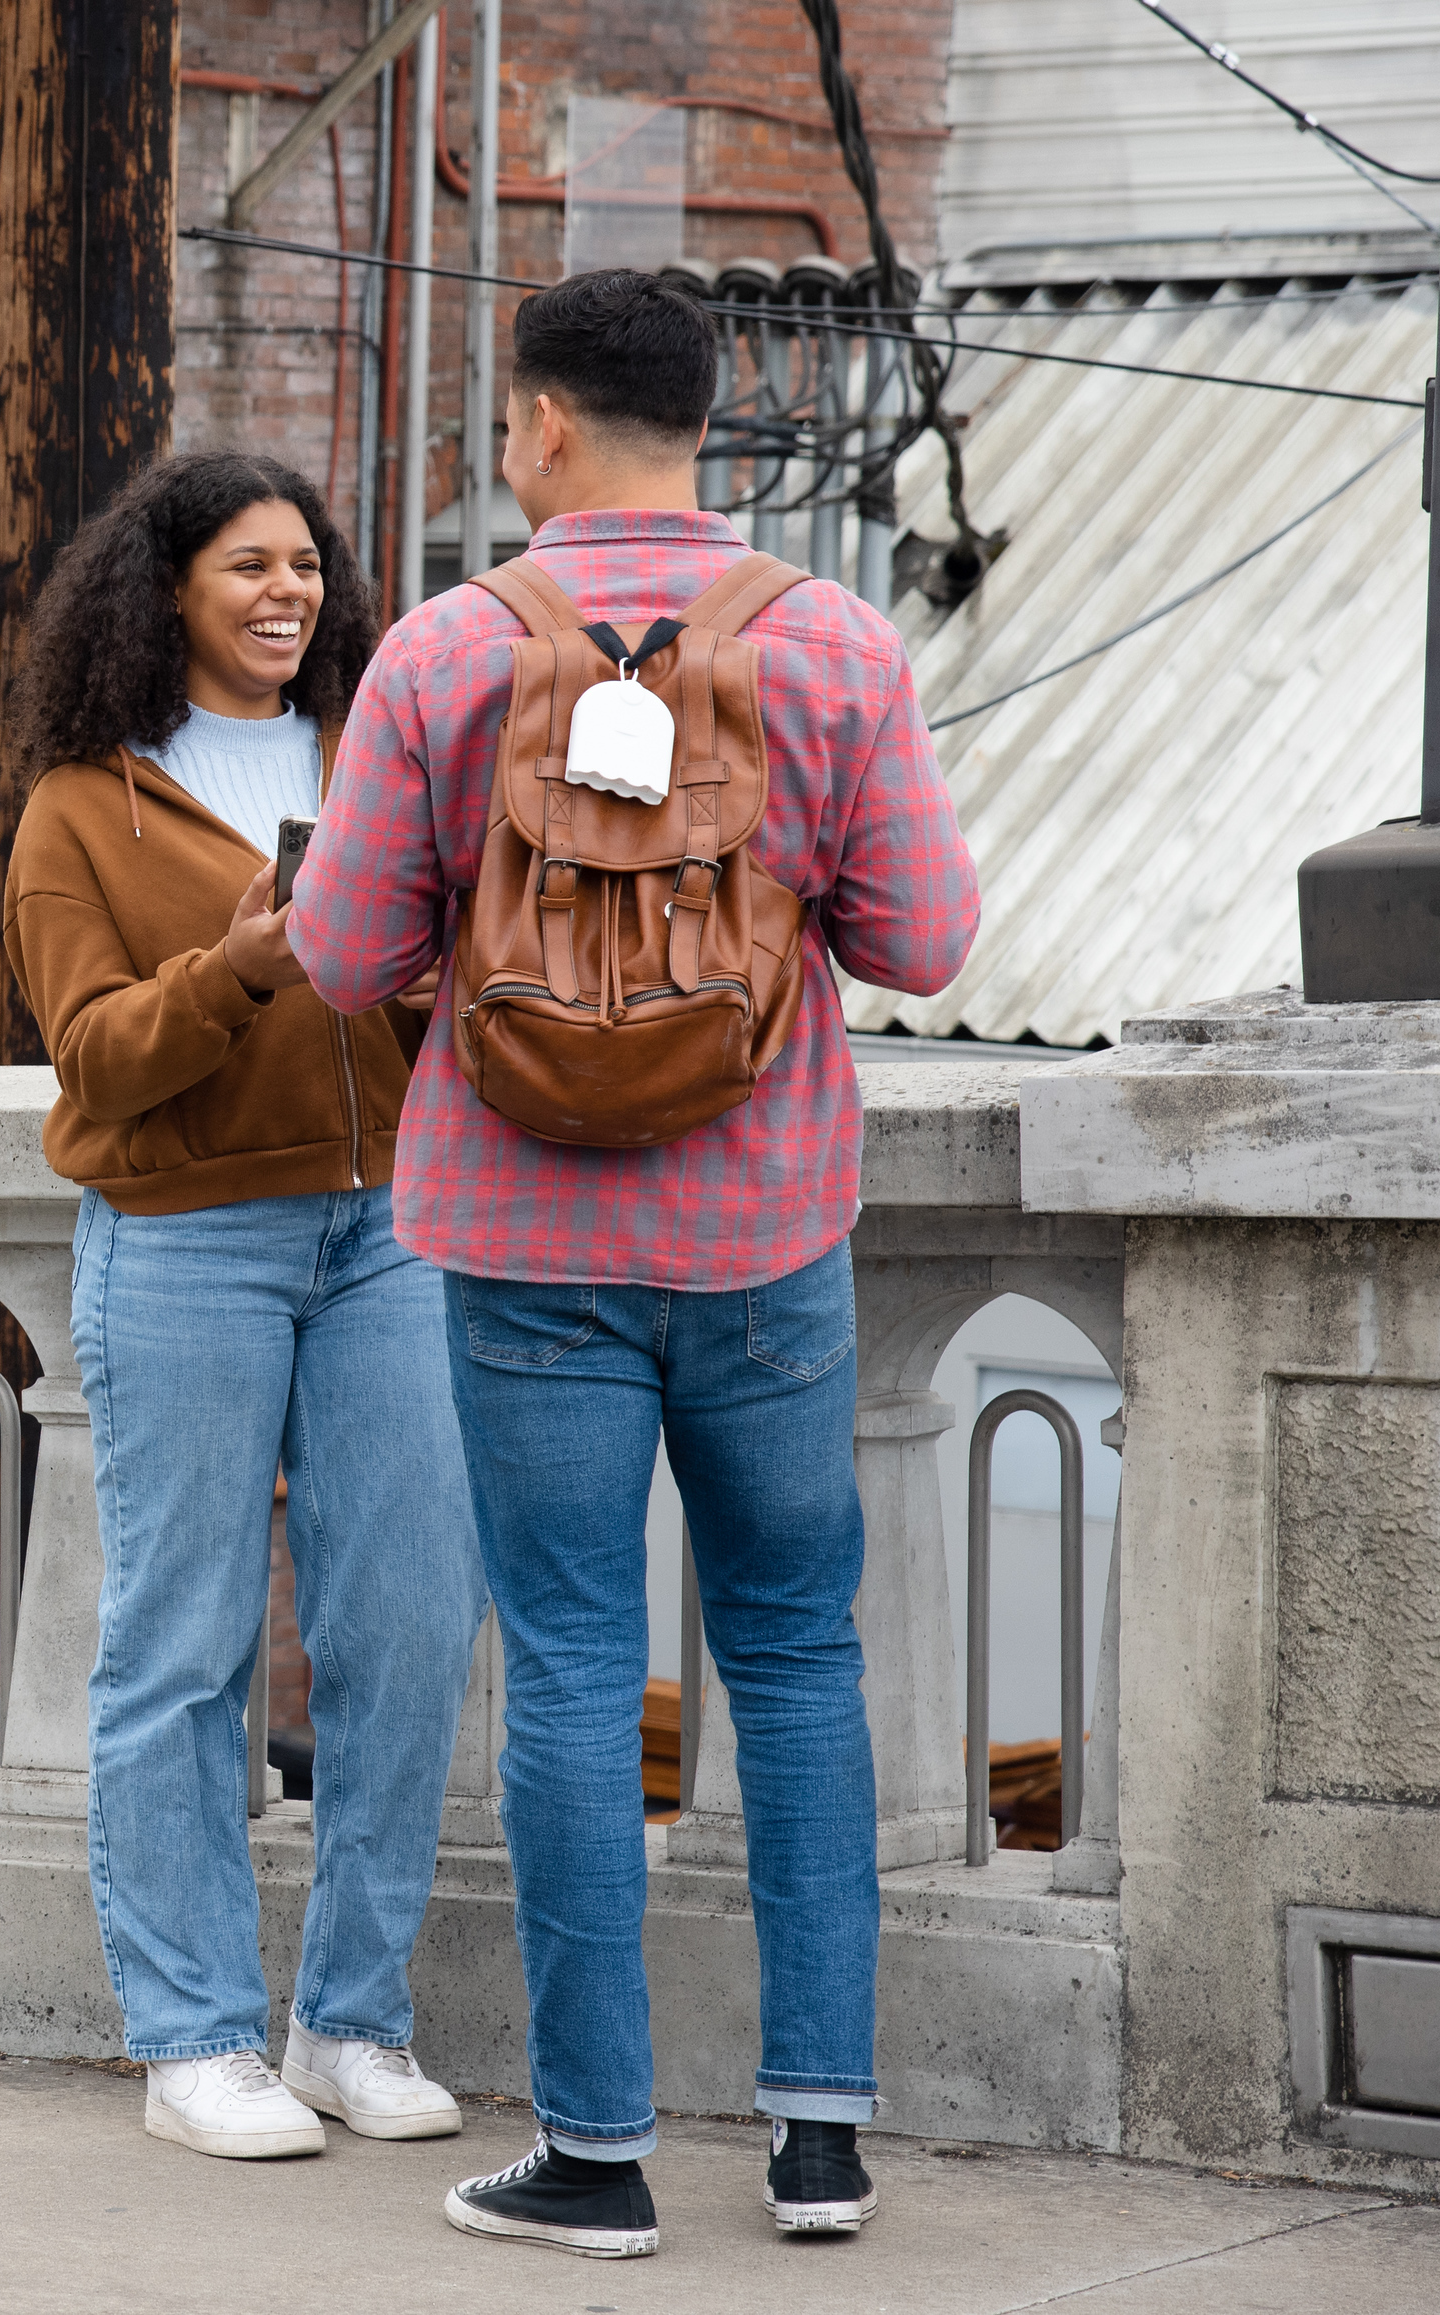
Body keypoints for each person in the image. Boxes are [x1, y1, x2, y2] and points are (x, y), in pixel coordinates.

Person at [286, 269, 978, 2256]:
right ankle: (823, 2138)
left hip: (521, 1239)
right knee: (793, 1654)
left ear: (540, 427)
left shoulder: (441, 651)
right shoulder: (831, 643)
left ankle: (594, 2154)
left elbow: (337, 960)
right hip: (766, 1238)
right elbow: (926, 941)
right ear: (707, 424)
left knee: (577, 1667)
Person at [2, 448, 483, 2163]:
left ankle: (350, 2021)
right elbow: (96, 1058)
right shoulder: (83, 806)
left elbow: (451, 1018)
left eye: (306, 565)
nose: (286, 592)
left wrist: (437, 986)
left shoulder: (379, 761)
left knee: (410, 1628)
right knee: (183, 1645)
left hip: (392, 1238)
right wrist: (246, 964)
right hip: (185, 1234)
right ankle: (192, 2036)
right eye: (245, 568)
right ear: (168, 593)